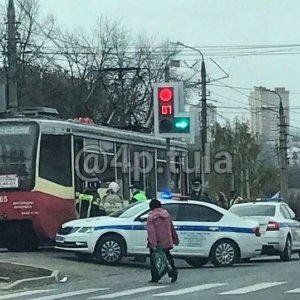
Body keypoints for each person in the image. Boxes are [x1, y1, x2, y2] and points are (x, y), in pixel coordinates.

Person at [147, 199, 179, 283]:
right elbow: (171, 228)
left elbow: (151, 232)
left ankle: (155, 277)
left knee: (154, 260)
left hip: (157, 241)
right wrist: (175, 239)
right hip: (167, 241)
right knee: (167, 256)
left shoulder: (151, 217)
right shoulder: (167, 215)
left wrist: (153, 243)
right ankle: (173, 271)